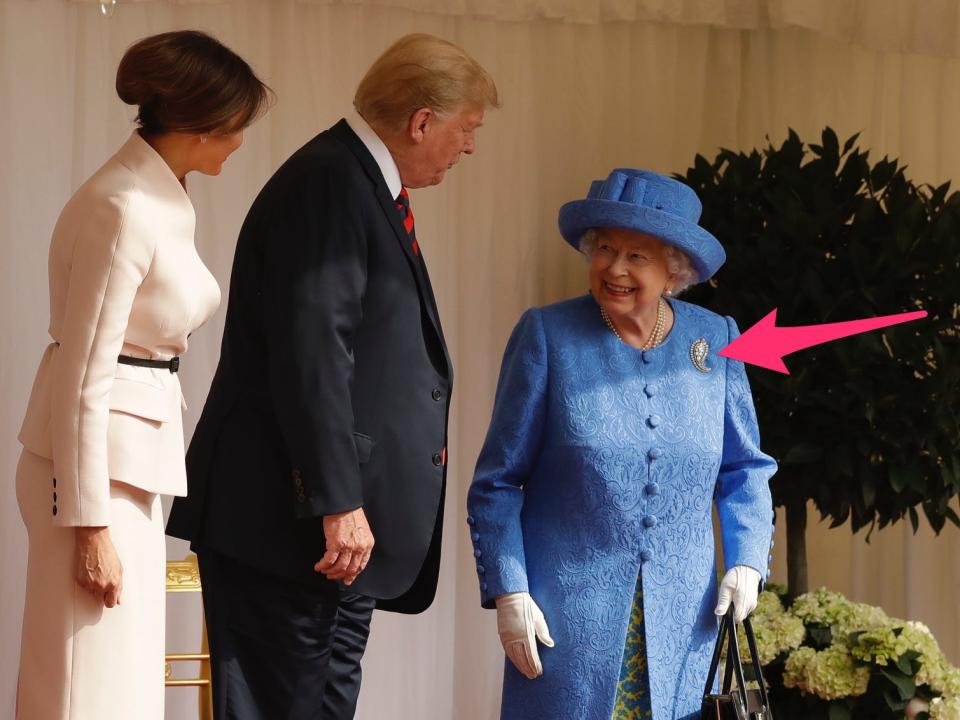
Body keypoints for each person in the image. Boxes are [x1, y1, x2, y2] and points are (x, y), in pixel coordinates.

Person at [166, 32, 499, 719]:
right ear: (422, 121)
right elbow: (312, 353)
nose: (469, 147)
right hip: (292, 529)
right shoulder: (328, 183)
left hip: (329, 543)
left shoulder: (355, 181)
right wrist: (338, 503)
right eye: (467, 129)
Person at [15, 30, 270, 720]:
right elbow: (84, 372)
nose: (243, 138)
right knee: (87, 689)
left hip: (126, 460)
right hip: (95, 473)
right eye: (239, 124)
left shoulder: (158, 194)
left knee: (115, 687)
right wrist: (88, 525)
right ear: (204, 124)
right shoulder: (123, 206)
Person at [466, 168, 778, 720]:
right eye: (605, 248)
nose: (615, 268)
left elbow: (745, 469)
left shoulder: (717, 339)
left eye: (637, 256)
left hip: (683, 626)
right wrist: (508, 590)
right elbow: (497, 482)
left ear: (673, 270)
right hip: (564, 624)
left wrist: (748, 559)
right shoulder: (547, 335)